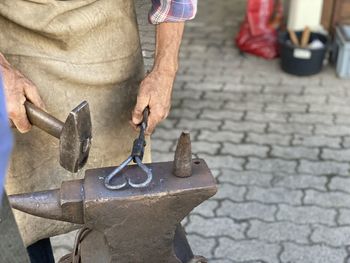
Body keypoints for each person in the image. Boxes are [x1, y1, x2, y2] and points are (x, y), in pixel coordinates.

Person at [0, 0, 197, 262]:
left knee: (123, 205)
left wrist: (165, 69)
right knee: (18, 216)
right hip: (16, 47)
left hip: (105, 44)